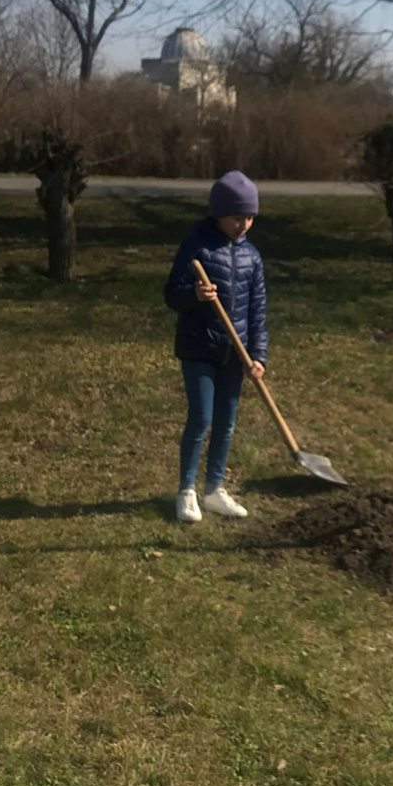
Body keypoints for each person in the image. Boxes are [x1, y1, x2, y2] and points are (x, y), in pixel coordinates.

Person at [164, 171, 268, 523]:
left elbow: (258, 312)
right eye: (237, 217)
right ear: (218, 214)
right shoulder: (197, 247)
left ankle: (214, 489)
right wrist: (194, 295)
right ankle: (187, 491)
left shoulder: (252, 257)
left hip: (233, 354)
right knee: (202, 418)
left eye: (250, 217)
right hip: (199, 349)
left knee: (226, 422)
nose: (244, 224)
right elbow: (171, 294)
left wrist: (258, 357)